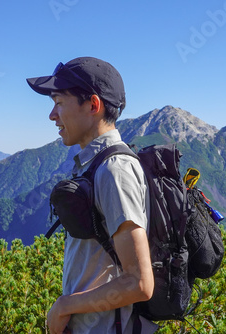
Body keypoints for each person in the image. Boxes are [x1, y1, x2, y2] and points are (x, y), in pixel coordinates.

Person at [27, 57, 158, 334]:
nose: (52, 115)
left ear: (93, 105)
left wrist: (65, 306)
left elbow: (139, 282)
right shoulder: (98, 165)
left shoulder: (114, 171)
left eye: (59, 103)